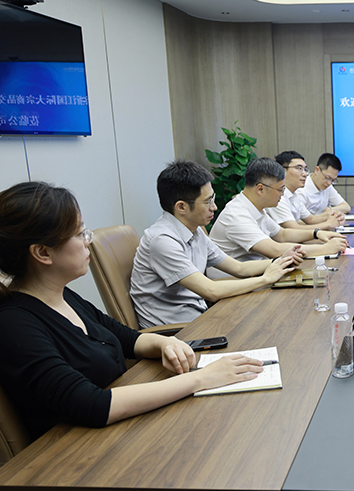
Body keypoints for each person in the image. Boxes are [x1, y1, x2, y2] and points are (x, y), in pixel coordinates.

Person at [0, 182, 268, 438]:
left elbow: (128, 339)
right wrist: (201, 379)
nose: (87, 241)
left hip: (121, 426)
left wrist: (164, 344)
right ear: (43, 253)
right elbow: (92, 404)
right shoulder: (14, 324)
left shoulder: (62, 295)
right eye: (80, 234)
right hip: (77, 451)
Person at [130, 160, 295, 328]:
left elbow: (239, 268)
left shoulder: (196, 231)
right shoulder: (162, 240)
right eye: (207, 201)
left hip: (200, 317)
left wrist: (282, 260)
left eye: (213, 199)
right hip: (175, 332)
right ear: (181, 207)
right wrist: (266, 279)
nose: (214, 207)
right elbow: (211, 291)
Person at [209, 157, 347, 271]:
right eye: (281, 190)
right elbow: (275, 249)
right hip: (234, 282)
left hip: (259, 272)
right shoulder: (237, 215)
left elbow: (282, 234)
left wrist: (317, 233)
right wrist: (325, 248)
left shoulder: (256, 207)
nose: (282, 194)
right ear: (260, 189)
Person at [265, 150, 344, 231]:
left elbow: (311, 219)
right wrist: (329, 224)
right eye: (299, 168)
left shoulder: (294, 195)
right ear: (283, 170)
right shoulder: (277, 196)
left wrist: (333, 215)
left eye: (305, 169)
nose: (305, 174)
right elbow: (294, 229)